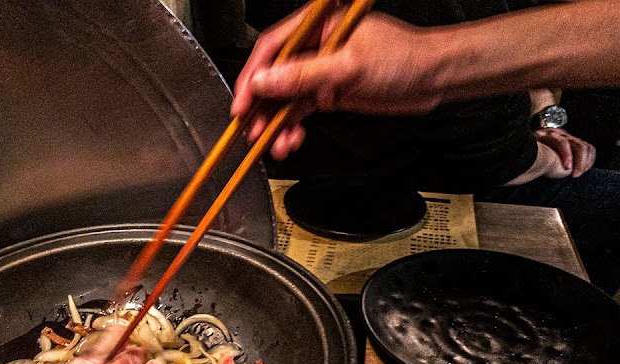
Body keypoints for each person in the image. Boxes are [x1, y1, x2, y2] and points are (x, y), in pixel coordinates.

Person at [231, 0, 620, 293]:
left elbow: (518, 20)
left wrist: (544, 114)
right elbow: (490, 154)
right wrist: (546, 159)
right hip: (431, 179)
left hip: (497, 150)